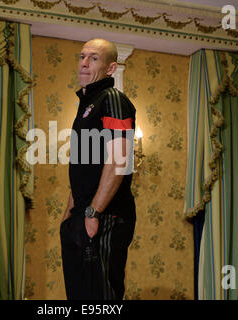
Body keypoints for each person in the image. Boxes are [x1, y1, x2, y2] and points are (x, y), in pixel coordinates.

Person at [60, 38, 136, 300]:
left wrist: (94, 212)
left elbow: (119, 159)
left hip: (104, 218)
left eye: (93, 58)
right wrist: (69, 215)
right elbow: (83, 168)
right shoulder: (86, 105)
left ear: (111, 68)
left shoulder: (114, 99)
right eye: (81, 57)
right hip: (80, 218)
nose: (83, 63)